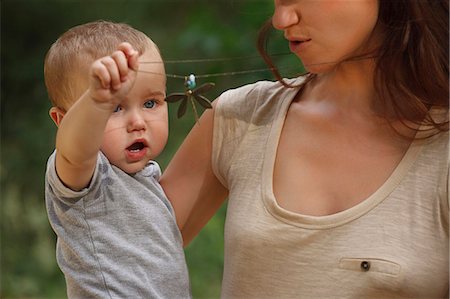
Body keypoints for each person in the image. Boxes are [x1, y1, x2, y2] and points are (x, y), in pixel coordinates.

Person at [160, 0, 449, 298]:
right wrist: (108, 114)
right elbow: (126, 249)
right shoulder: (240, 118)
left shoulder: (442, 147)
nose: (280, 19)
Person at [44, 20, 191, 298]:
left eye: (150, 103)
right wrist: (96, 101)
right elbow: (74, 150)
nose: (137, 122)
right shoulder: (86, 178)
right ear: (63, 121)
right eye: (115, 108)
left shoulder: (146, 178)